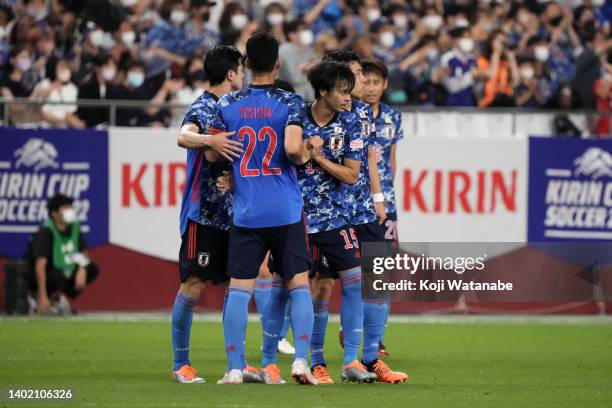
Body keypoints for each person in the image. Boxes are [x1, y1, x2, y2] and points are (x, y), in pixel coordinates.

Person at [208, 31, 317, 385]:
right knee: (299, 285)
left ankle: (235, 367)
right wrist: (310, 150)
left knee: (240, 289)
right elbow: (292, 150)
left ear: (247, 64)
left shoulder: (227, 105)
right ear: (279, 62)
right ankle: (301, 361)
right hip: (285, 209)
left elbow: (211, 152)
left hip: (247, 211)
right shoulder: (292, 102)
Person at [318, 50, 406, 382]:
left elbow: (373, 161)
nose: (362, 81)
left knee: (376, 280)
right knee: (324, 284)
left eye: (364, 75)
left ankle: (369, 356)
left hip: (366, 208)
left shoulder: (364, 117)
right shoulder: (320, 113)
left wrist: (380, 198)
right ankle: (317, 358)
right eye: (355, 74)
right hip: (332, 211)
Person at [171, 44, 247, 384]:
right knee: (193, 285)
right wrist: (209, 142)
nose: (243, 76)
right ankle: (180, 365)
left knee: (236, 287)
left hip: (235, 215)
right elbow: (182, 137)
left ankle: (237, 363)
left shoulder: (234, 107)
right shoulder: (204, 105)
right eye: (241, 70)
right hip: (203, 215)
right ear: (230, 73)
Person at [362, 59, 406, 366]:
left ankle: (376, 337)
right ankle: (348, 326)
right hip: (353, 202)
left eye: (376, 82)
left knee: (381, 270)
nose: (371, 87)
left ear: (385, 85)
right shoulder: (351, 114)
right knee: (347, 271)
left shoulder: (393, 117)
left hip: (384, 204)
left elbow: (392, 161)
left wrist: (388, 198)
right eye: (366, 82)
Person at [27, 194, 100, 315]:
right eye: (65, 207)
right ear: (54, 213)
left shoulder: (74, 228)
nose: (69, 210)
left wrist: (82, 269)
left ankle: (58, 298)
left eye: (70, 207)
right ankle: (41, 298)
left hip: (66, 269)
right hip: (48, 275)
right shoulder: (46, 231)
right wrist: (42, 296)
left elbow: (84, 254)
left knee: (91, 268)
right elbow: (40, 266)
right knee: (57, 276)